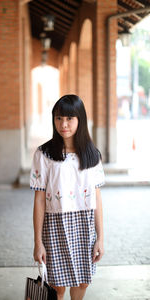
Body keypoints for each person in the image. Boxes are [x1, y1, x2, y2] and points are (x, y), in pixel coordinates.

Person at [30, 94, 105, 300]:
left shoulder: (92, 155)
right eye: (58, 118)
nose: (63, 124)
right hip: (55, 226)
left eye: (69, 118)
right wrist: (38, 242)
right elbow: (39, 199)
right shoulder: (44, 154)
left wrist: (100, 238)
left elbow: (97, 199)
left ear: (80, 119)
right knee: (57, 287)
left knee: (82, 282)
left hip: (84, 225)